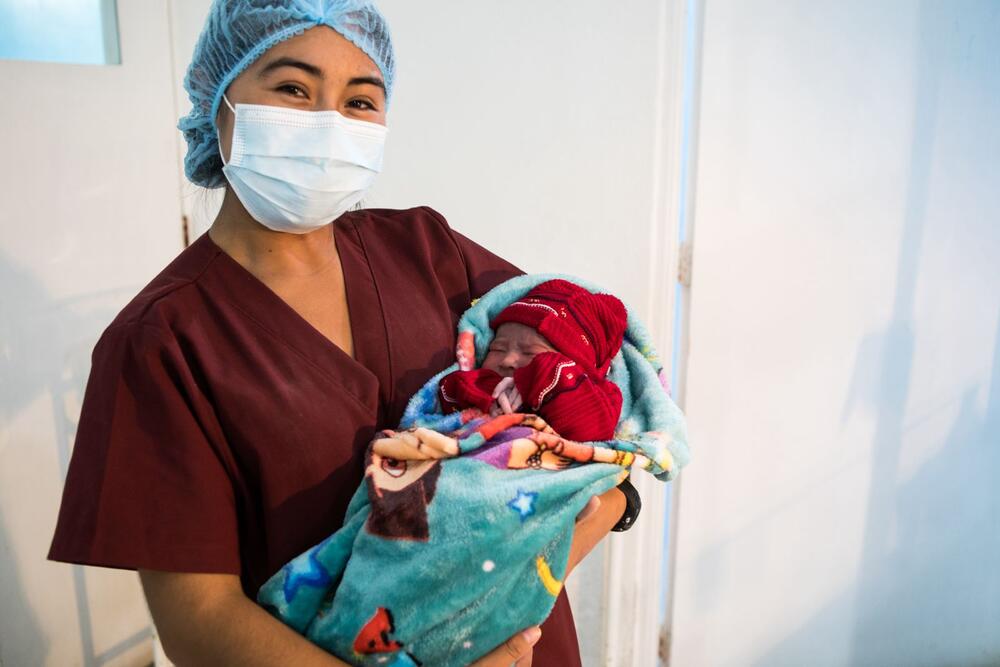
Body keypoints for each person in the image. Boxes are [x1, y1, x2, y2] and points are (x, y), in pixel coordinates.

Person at [47, 2, 626, 665]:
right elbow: (199, 621)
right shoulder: (163, 343)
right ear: (220, 99)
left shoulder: (429, 251)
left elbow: (602, 375)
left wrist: (593, 521)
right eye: (293, 88)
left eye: (360, 100)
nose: (328, 122)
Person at [439, 279, 628, 443]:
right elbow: (450, 390)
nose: (508, 360)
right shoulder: (480, 379)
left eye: (530, 352)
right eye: (498, 348)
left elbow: (593, 431)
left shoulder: (603, 396)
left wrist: (546, 378)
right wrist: (488, 398)